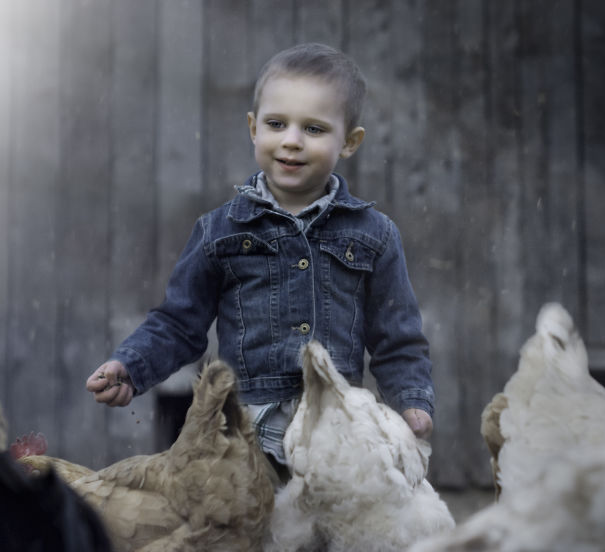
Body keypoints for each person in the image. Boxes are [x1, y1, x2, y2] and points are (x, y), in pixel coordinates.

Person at [86, 43, 435, 476]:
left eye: (314, 128)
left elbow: (397, 340)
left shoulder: (374, 234)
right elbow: (179, 323)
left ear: (349, 142)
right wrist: (132, 366)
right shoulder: (220, 232)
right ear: (254, 128)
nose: (291, 140)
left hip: (340, 443)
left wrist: (412, 402)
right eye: (276, 123)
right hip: (246, 443)